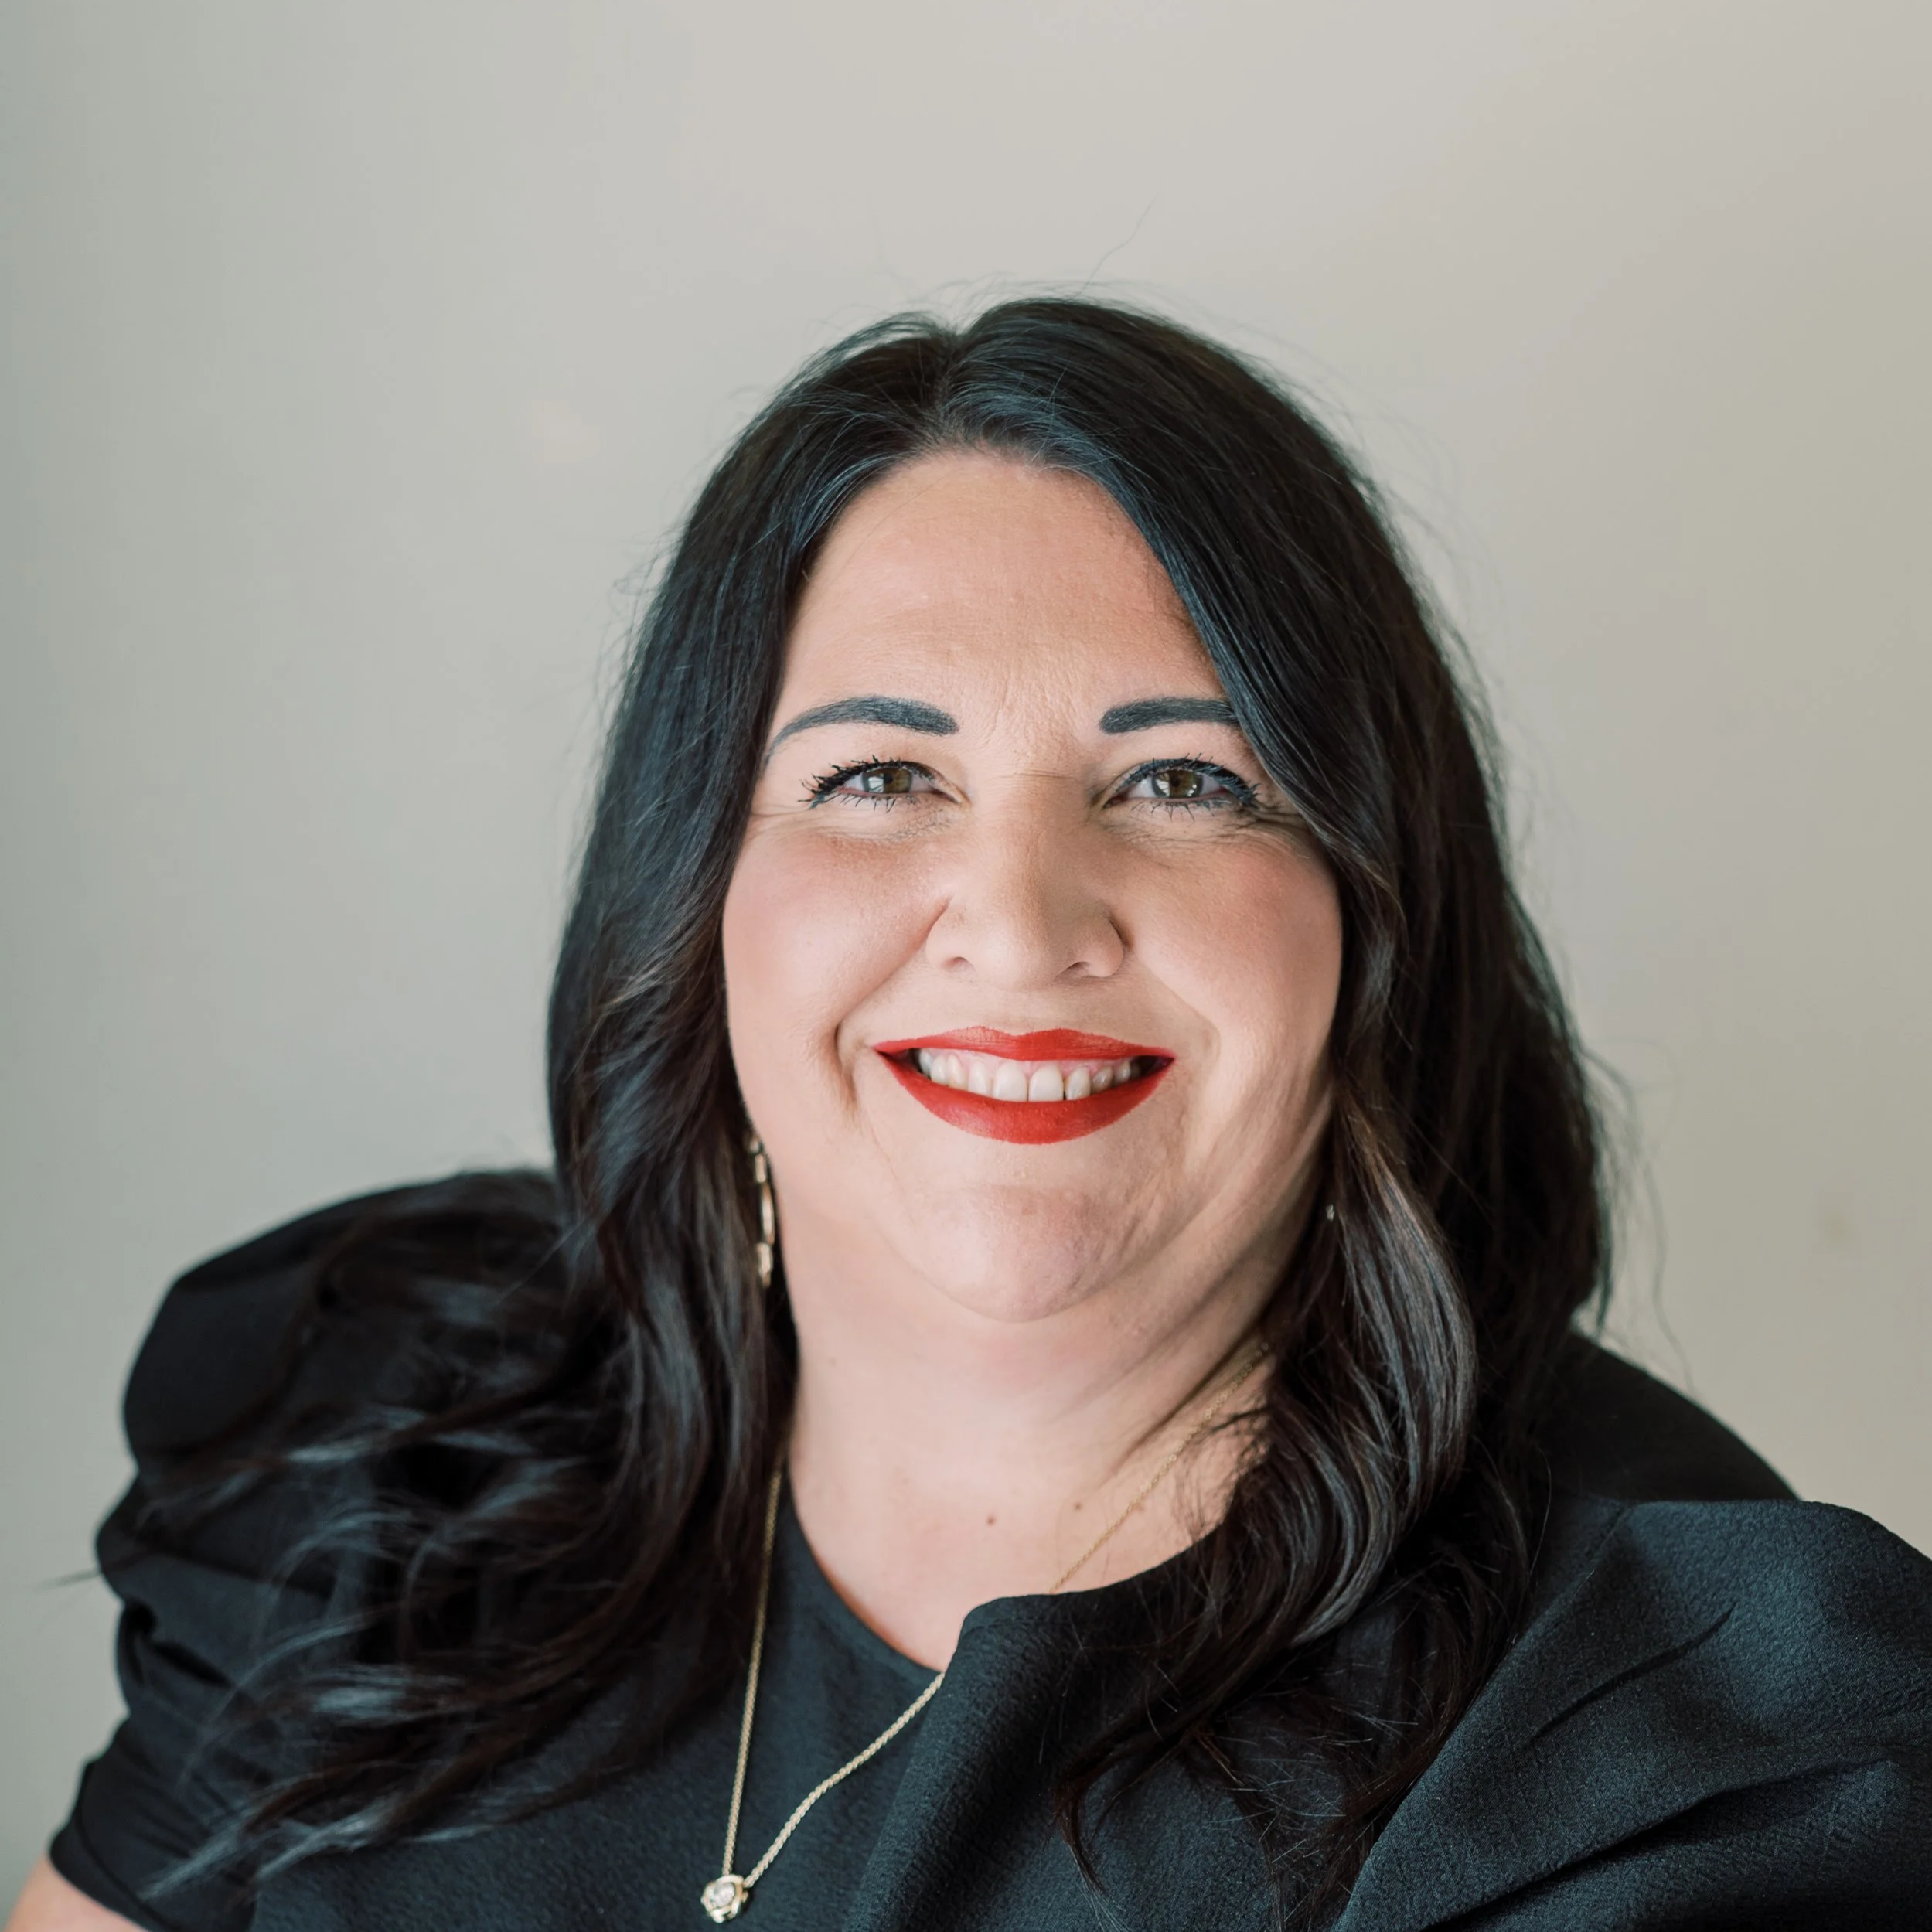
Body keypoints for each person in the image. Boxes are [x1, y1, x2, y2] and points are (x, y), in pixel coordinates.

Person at [10, 299, 1929, 1932]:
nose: (1016, 923)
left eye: (1182, 781)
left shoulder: (1651, 1737)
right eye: (877, 777)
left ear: (1370, 912)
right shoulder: (387, 1454)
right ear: (693, 896)